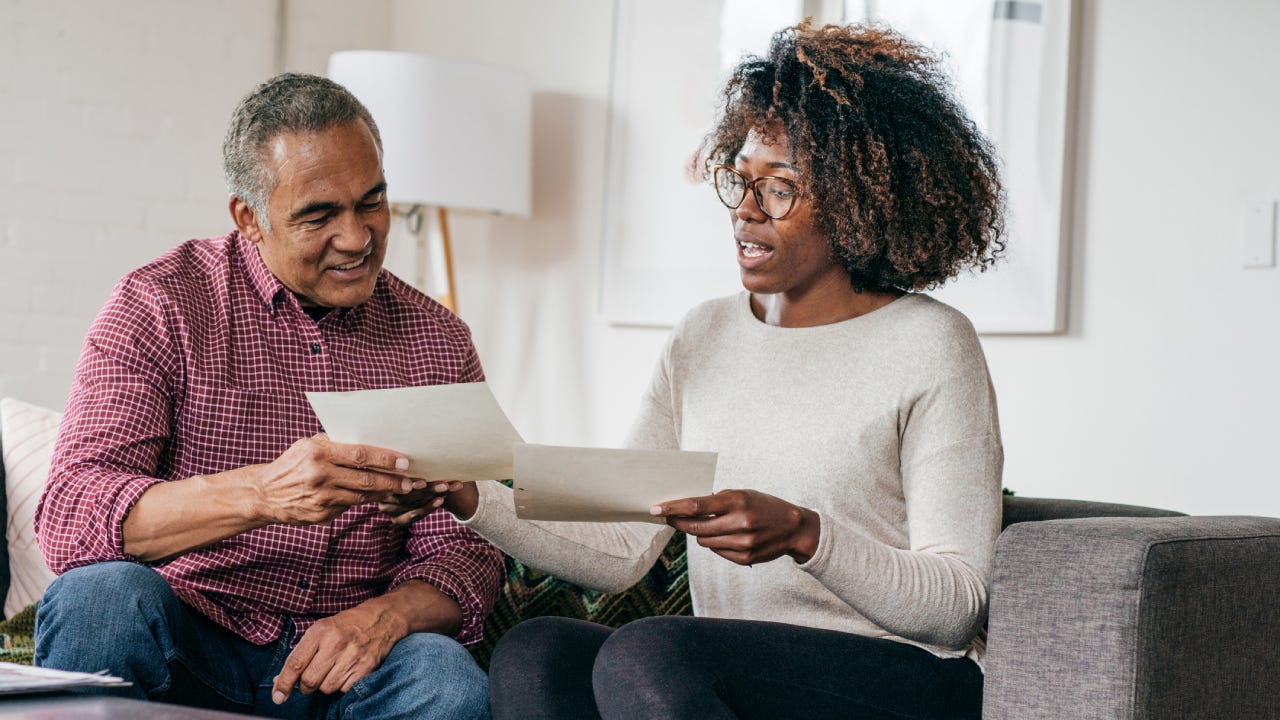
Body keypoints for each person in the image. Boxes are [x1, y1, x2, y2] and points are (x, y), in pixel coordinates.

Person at [392, 21, 1006, 719]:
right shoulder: (703, 335)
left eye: (780, 189)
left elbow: (958, 606)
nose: (745, 212)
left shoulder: (932, 343)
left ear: (859, 201)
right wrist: (469, 496)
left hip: (907, 681)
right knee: (538, 651)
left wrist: (807, 535)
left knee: (650, 653)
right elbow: (626, 544)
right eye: (740, 181)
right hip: (729, 667)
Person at [33, 73, 504, 720]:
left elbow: (466, 549)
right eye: (319, 216)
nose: (358, 237)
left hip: (348, 661)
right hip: (191, 636)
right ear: (248, 217)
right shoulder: (160, 305)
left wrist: (383, 618)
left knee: (444, 681)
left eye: (372, 202)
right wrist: (262, 494)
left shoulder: (436, 341)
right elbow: (71, 515)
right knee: (100, 600)